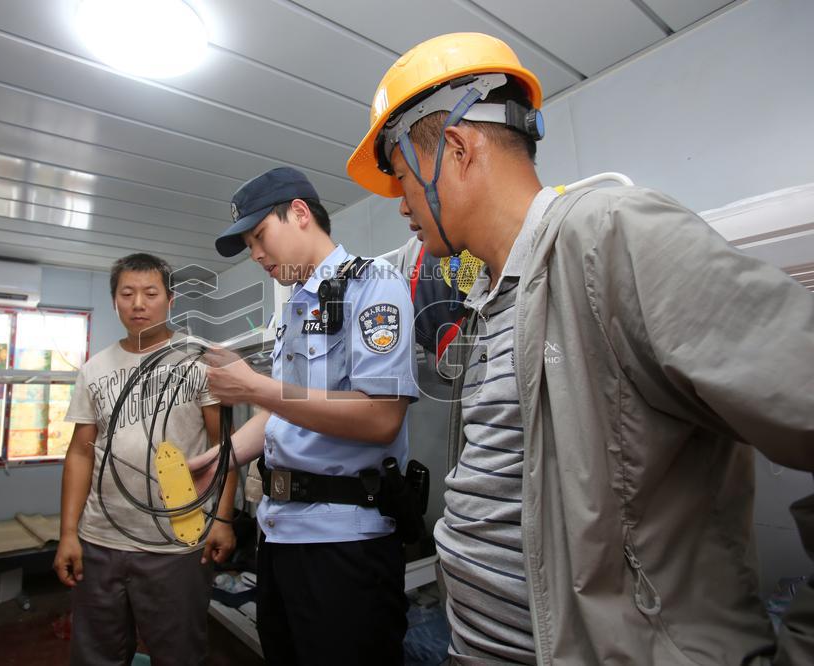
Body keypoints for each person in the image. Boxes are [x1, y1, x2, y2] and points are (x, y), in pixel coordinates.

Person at [345, 32, 814, 665]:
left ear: (455, 148)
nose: (399, 203)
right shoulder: (487, 297)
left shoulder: (611, 236)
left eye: (400, 178)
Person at [196, 166, 420, 664]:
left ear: (299, 214)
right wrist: (223, 457)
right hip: (280, 535)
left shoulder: (373, 284)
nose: (256, 255)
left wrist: (257, 387)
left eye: (259, 237)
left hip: (344, 543)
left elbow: (382, 416)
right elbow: (287, 414)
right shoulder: (293, 308)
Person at [52, 252, 237, 666]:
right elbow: (81, 453)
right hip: (100, 540)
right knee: (96, 654)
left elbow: (224, 447)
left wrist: (223, 520)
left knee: (179, 653)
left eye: (150, 293)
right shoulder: (95, 369)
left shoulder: (199, 361)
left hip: (177, 541)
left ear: (170, 300)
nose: (138, 303)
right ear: (115, 301)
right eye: (127, 293)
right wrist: (68, 532)